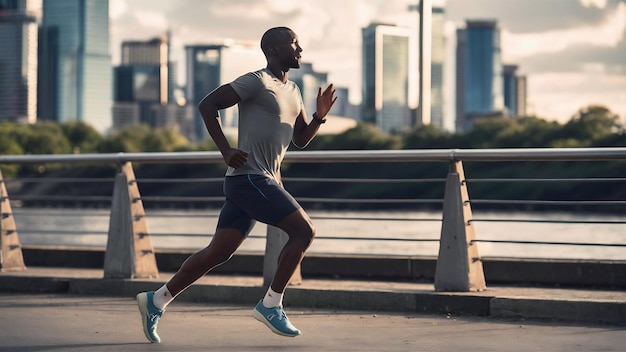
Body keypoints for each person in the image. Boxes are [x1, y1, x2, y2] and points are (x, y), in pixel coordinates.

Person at [136, 26, 337, 343]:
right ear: (273, 50)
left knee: (217, 253)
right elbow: (207, 105)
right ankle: (271, 304)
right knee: (304, 231)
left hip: (259, 181)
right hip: (249, 179)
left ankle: (156, 299)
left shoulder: (294, 90)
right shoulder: (256, 81)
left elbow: (299, 141)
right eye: (294, 44)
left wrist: (318, 118)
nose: (300, 50)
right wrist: (225, 150)